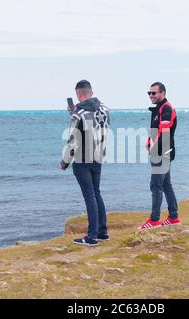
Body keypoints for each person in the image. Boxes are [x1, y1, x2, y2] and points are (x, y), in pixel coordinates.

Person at [60, 80, 110, 246]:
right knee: (97, 193)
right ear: (91, 92)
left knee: (90, 196)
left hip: (82, 159)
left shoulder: (78, 114)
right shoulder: (104, 109)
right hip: (98, 157)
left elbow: (73, 141)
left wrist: (65, 162)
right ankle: (102, 232)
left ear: (79, 95)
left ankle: (91, 237)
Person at [139, 82, 180, 230]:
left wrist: (155, 150)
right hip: (162, 152)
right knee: (166, 184)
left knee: (155, 185)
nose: (151, 96)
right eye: (149, 93)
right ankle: (173, 217)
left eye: (154, 93)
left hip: (163, 154)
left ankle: (154, 220)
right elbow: (157, 131)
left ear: (162, 93)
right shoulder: (159, 109)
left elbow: (165, 132)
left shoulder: (166, 108)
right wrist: (149, 141)